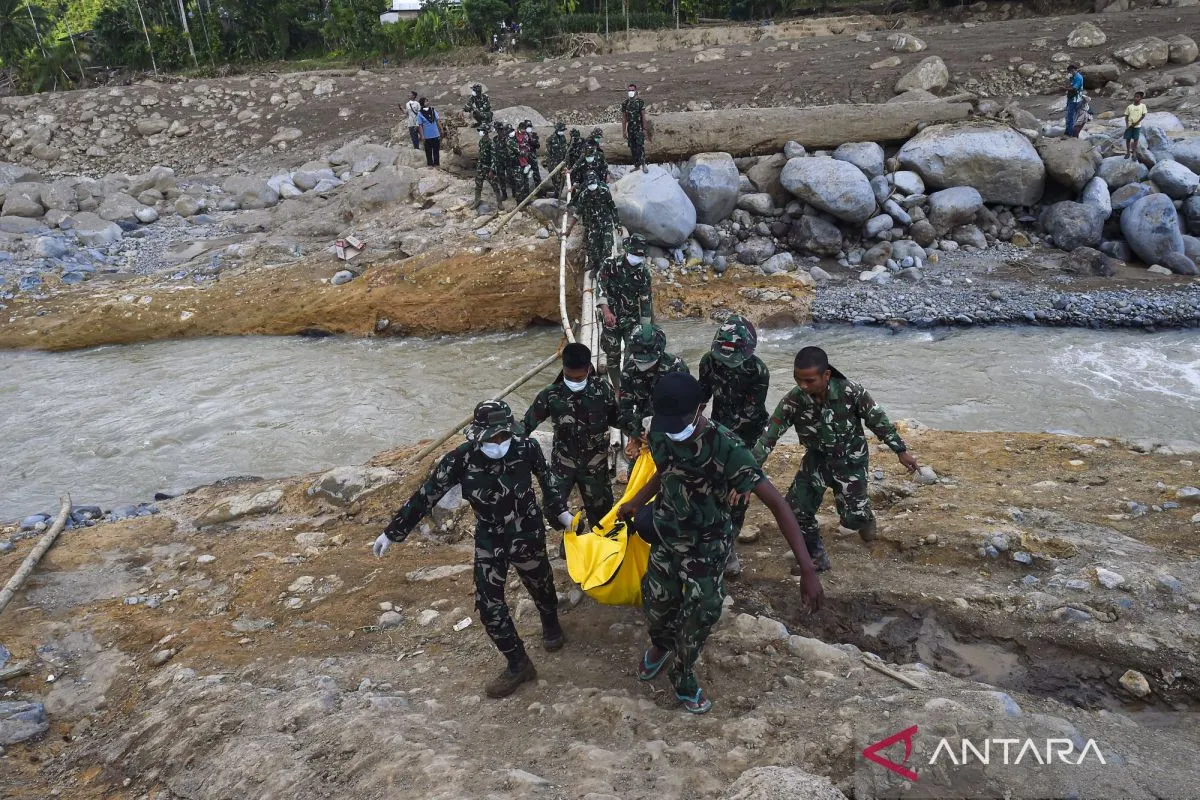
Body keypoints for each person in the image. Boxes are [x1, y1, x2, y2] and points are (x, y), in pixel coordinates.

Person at [618, 373, 824, 714]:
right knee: (656, 603)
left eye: (677, 423)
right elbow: (665, 470)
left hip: (707, 545)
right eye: (665, 423)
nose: (670, 430)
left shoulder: (727, 447)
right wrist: (636, 501)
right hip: (667, 536)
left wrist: (807, 568)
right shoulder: (661, 428)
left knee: (703, 611)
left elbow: (777, 504)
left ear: (699, 409)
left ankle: (683, 673)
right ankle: (661, 646)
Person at [374, 400, 573, 698]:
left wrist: (563, 515)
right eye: (492, 437)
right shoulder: (460, 459)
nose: (499, 443)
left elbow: (548, 482)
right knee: (488, 604)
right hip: (490, 537)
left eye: (504, 436)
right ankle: (518, 663)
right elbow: (427, 495)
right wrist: (393, 532)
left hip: (527, 530)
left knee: (541, 583)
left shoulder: (527, 448)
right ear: (478, 435)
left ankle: (550, 623)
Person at [753, 347, 920, 573]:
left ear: (826, 375)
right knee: (795, 510)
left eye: (809, 381)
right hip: (817, 460)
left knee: (852, 519)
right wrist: (749, 471)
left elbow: (877, 420)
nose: (803, 386)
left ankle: (864, 516)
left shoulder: (851, 392)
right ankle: (816, 558)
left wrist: (900, 450)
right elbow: (769, 435)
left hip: (850, 461)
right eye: (798, 379)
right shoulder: (794, 400)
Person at [697, 315, 769, 577]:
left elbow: (750, 416)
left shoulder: (758, 371)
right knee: (710, 488)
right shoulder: (709, 361)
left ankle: (728, 549)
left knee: (738, 494)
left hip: (747, 438)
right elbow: (701, 398)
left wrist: (744, 469)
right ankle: (710, 538)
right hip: (717, 430)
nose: (726, 363)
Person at [521, 343, 619, 531]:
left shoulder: (602, 389)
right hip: (563, 463)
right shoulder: (551, 394)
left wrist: (638, 433)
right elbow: (525, 425)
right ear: (563, 369)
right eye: (569, 377)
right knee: (552, 509)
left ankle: (597, 544)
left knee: (602, 515)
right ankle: (574, 529)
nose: (574, 382)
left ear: (588, 369)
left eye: (579, 378)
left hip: (595, 465)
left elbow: (617, 418)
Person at [619, 324, 689, 455]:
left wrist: (660, 434)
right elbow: (625, 408)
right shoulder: (629, 371)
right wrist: (635, 435)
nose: (642, 365)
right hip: (642, 428)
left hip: (672, 429)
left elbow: (688, 409)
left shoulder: (677, 369)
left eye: (647, 360)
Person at [596, 233, 653, 389]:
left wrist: (646, 327)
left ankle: (626, 389)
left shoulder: (643, 273)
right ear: (627, 251)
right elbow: (601, 288)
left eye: (641, 255)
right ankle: (616, 389)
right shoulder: (610, 264)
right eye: (635, 254)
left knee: (631, 356)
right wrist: (606, 312)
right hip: (610, 318)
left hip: (631, 320)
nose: (637, 258)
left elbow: (646, 301)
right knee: (612, 356)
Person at [568, 176, 621, 276]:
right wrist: (569, 230)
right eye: (591, 191)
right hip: (593, 225)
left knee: (607, 247)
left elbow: (613, 208)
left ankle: (603, 269)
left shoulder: (605, 192)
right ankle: (595, 265)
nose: (593, 193)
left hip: (606, 224)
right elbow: (578, 213)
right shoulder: (584, 195)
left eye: (595, 190)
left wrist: (618, 225)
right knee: (593, 248)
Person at [470, 125, 505, 209]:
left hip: (488, 167)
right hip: (480, 166)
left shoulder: (491, 143)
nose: (480, 132)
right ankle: (477, 201)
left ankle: (499, 203)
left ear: (485, 132)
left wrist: (492, 170)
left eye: (481, 130)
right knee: (478, 185)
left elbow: (494, 158)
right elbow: (480, 153)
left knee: (495, 185)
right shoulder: (481, 141)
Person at [621, 84, 649, 173]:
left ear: (636, 91)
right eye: (629, 90)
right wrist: (624, 130)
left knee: (640, 146)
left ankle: (644, 165)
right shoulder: (625, 103)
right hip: (630, 129)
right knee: (632, 148)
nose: (631, 92)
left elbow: (643, 116)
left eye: (632, 90)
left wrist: (645, 129)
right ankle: (637, 165)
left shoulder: (640, 102)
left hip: (639, 128)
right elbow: (624, 118)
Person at [504, 123, 530, 200]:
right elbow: (519, 151)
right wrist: (525, 151)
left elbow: (524, 144)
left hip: (521, 163)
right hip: (516, 165)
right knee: (519, 184)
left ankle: (526, 199)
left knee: (525, 182)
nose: (512, 132)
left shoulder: (515, 139)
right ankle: (519, 201)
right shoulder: (509, 141)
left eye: (512, 131)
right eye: (509, 131)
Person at [416, 98, 443, 167]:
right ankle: (430, 164)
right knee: (428, 151)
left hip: (435, 134)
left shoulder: (433, 110)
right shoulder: (420, 113)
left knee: (436, 150)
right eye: (426, 101)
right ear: (422, 103)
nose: (427, 102)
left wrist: (441, 129)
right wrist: (422, 136)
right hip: (427, 135)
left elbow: (437, 120)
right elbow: (420, 125)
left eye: (427, 101)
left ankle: (437, 164)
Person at [545, 122, 569, 199]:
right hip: (553, 163)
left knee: (563, 178)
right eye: (561, 130)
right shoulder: (550, 139)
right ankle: (556, 195)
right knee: (556, 180)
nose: (562, 132)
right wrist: (550, 165)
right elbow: (548, 153)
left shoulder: (563, 137)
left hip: (562, 162)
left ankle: (559, 194)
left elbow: (565, 149)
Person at [1124, 91, 1148, 160]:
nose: (1136, 98)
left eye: (1138, 97)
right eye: (1135, 97)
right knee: (1128, 138)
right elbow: (1126, 116)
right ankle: (1128, 152)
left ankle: (1134, 153)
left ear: (1140, 98)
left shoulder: (1143, 106)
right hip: (1129, 125)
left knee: (1136, 139)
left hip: (1137, 126)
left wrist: (1136, 123)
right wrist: (1127, 125)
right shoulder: (1129, 107)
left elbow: (1143, 116)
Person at [1065, 64, 1084, 139]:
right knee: (1069, 115)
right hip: (1071, 98)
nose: (1070, 73)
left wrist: (1064, 89)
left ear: (1073, 70)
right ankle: (1068, 131)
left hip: (1075, 99)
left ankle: (1070, 133)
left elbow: (1074, 88)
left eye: (1070, 71)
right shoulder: (1073, 77)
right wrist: (1068, 81)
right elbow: (1070, 85)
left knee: (1071, 116)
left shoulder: (1078, 77)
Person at [523, 120, 542, 186]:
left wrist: (533, 140)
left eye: (530, 126)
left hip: (532, 157)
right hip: (524, 158)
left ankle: (539, 188)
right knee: (525, 174)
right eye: (527, 127)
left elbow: (538, 146)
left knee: (536, 173)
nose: (529, 128)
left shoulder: (534, 135)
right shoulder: (521, 136)